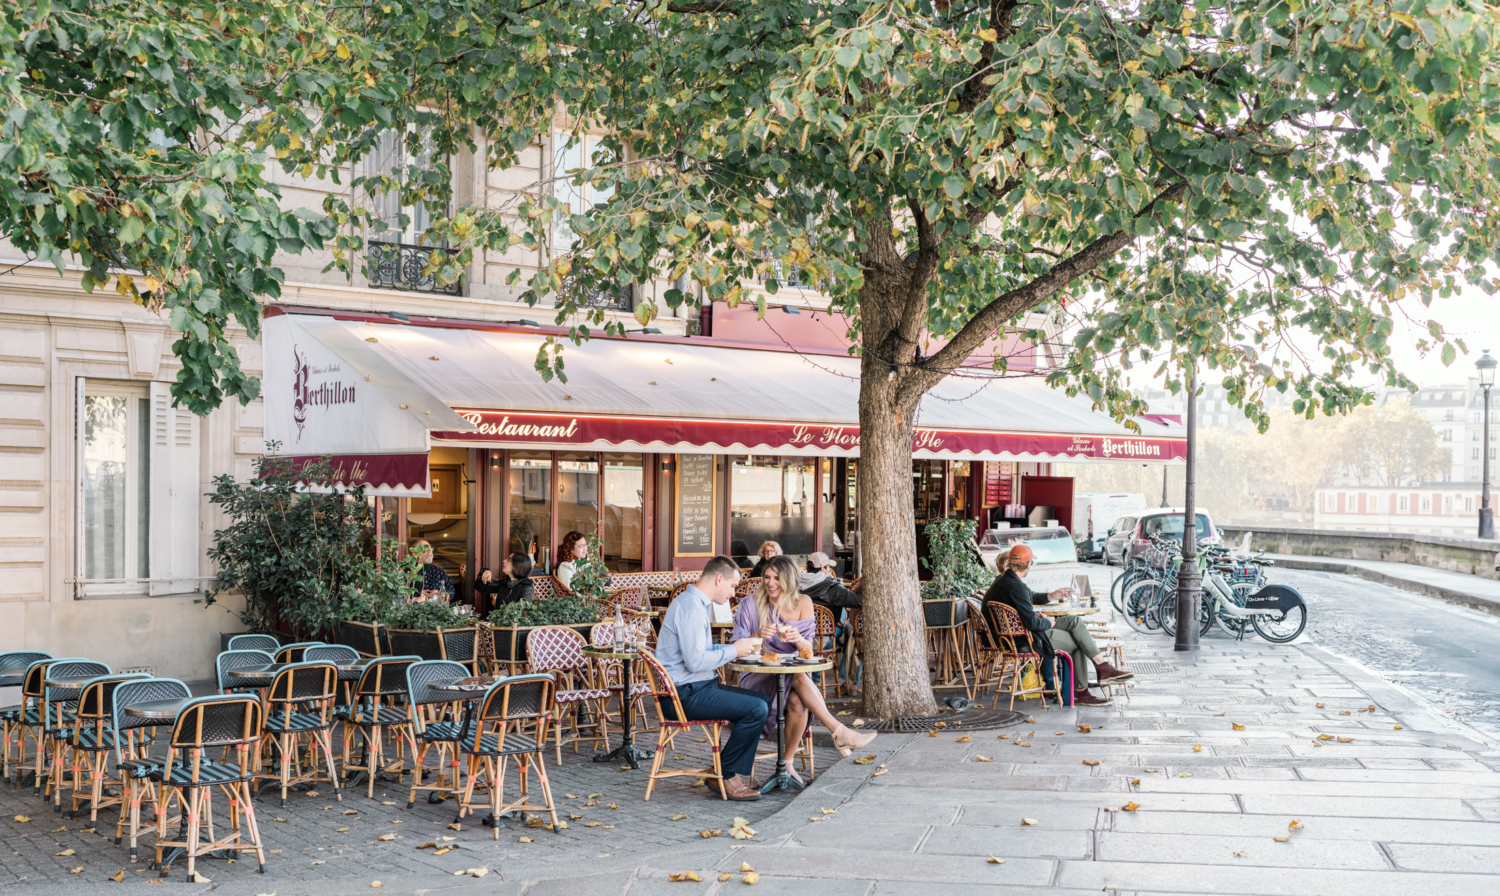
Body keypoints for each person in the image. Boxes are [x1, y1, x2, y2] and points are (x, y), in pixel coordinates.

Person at [732, 555, 876, 781]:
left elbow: (807, 649)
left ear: (789, 579)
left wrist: (798, 638)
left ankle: (787, 765)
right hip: (759, 676)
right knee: (799, 676)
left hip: (794, 677)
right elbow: (737, 649)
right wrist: (757, 635)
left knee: (798, 698)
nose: (770, 583)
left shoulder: (804, 602)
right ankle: (839, 732)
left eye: (777, 578)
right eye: (767, 578)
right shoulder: (750, 605)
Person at [654, 555, 770, 801]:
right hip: (682, 695)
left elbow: (700, 655)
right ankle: (725, 774)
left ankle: (724, 771)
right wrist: (733, 650)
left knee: (762, 700)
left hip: (694, 688)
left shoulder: (693, 603)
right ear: (719, 579)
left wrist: (733, 648)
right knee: (757, 707)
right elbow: (695, 661)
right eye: (732, 586)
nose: (733, 593)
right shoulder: (691, 607)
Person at [982, 544, 1131, 706]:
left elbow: (1024, 609)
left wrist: (1050, 599)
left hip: (1017, 636)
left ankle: (1102, 667)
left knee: (1074, 621)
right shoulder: (1016, 586)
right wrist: (1047, 621)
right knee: (1079, 642)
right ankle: (1082, 691)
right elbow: (1032, 623)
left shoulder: (1004, 582)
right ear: (1028, 564)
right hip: (1026, 640)